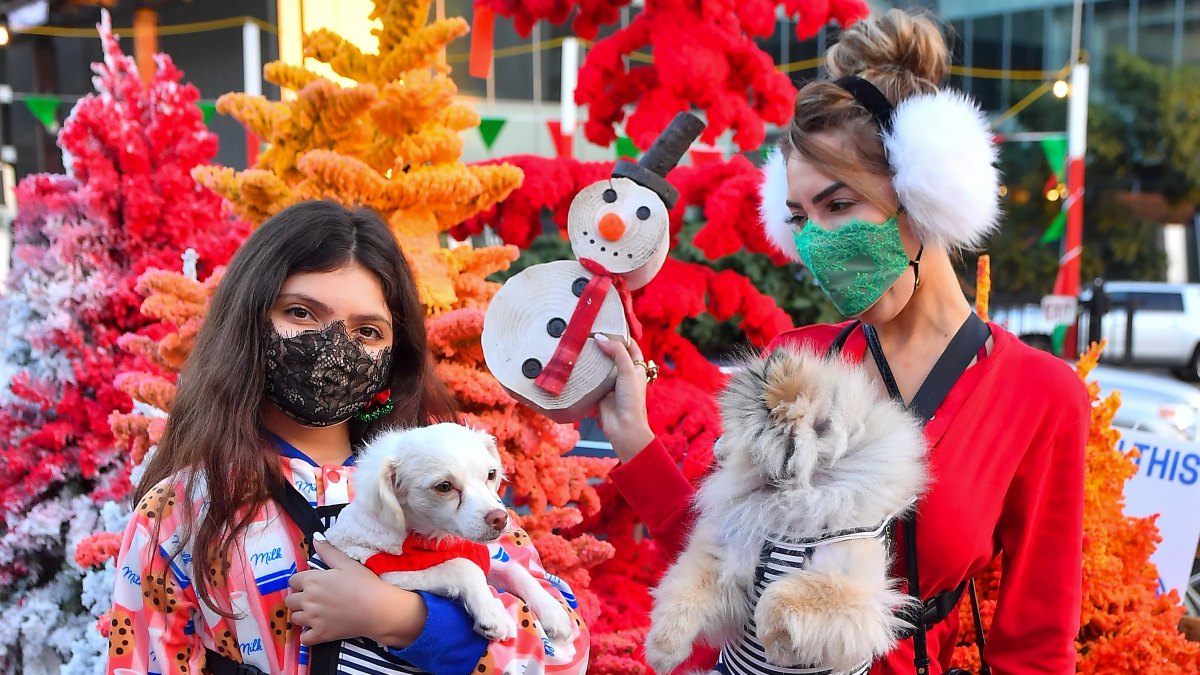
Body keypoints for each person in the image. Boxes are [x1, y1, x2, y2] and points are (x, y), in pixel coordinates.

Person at [595, 9, 1088, 675]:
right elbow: (729, 561)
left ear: (922, 193)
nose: (816, 241)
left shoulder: (1040, 394)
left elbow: (1035, 648)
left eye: (838, 205)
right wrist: (634, 438)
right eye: (799, 217)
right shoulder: (799, 361)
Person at [107, 200, 589, 675]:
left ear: (394, 352)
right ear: (248, 322)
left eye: (367, 330)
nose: (334, 346)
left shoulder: (435, 484)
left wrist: (408, 621)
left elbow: (567, 653)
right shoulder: (186, 506)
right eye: (300, 313)